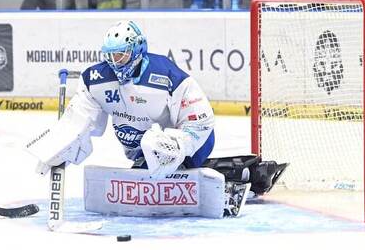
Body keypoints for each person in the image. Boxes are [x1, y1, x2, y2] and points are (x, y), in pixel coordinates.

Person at [26, 21, 253, 217]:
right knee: (148, 156)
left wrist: (178, 147)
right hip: (144, 151)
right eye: (110, 55)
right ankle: (213, 171)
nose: (115, 62)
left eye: (121, 54)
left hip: (193, 142)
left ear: (136, 50)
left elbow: (200, 119)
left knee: (156, 148)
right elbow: (80, 121)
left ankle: (221, 173)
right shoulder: (95, 80)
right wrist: (61, 145)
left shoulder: (165, 74)